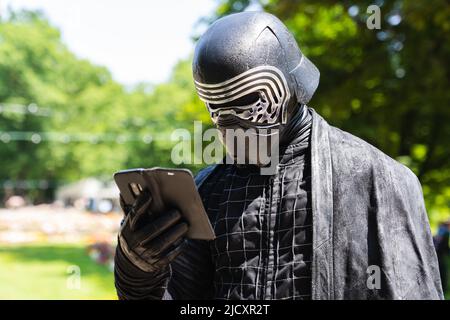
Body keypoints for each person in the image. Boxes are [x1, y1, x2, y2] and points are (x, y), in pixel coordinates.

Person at [113, 11, 443, 300]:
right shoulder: (209, 191)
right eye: (217, 108)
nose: (231, 124)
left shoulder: (375, 178)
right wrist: (138, 271)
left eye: (248, 102)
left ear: (290, 86)